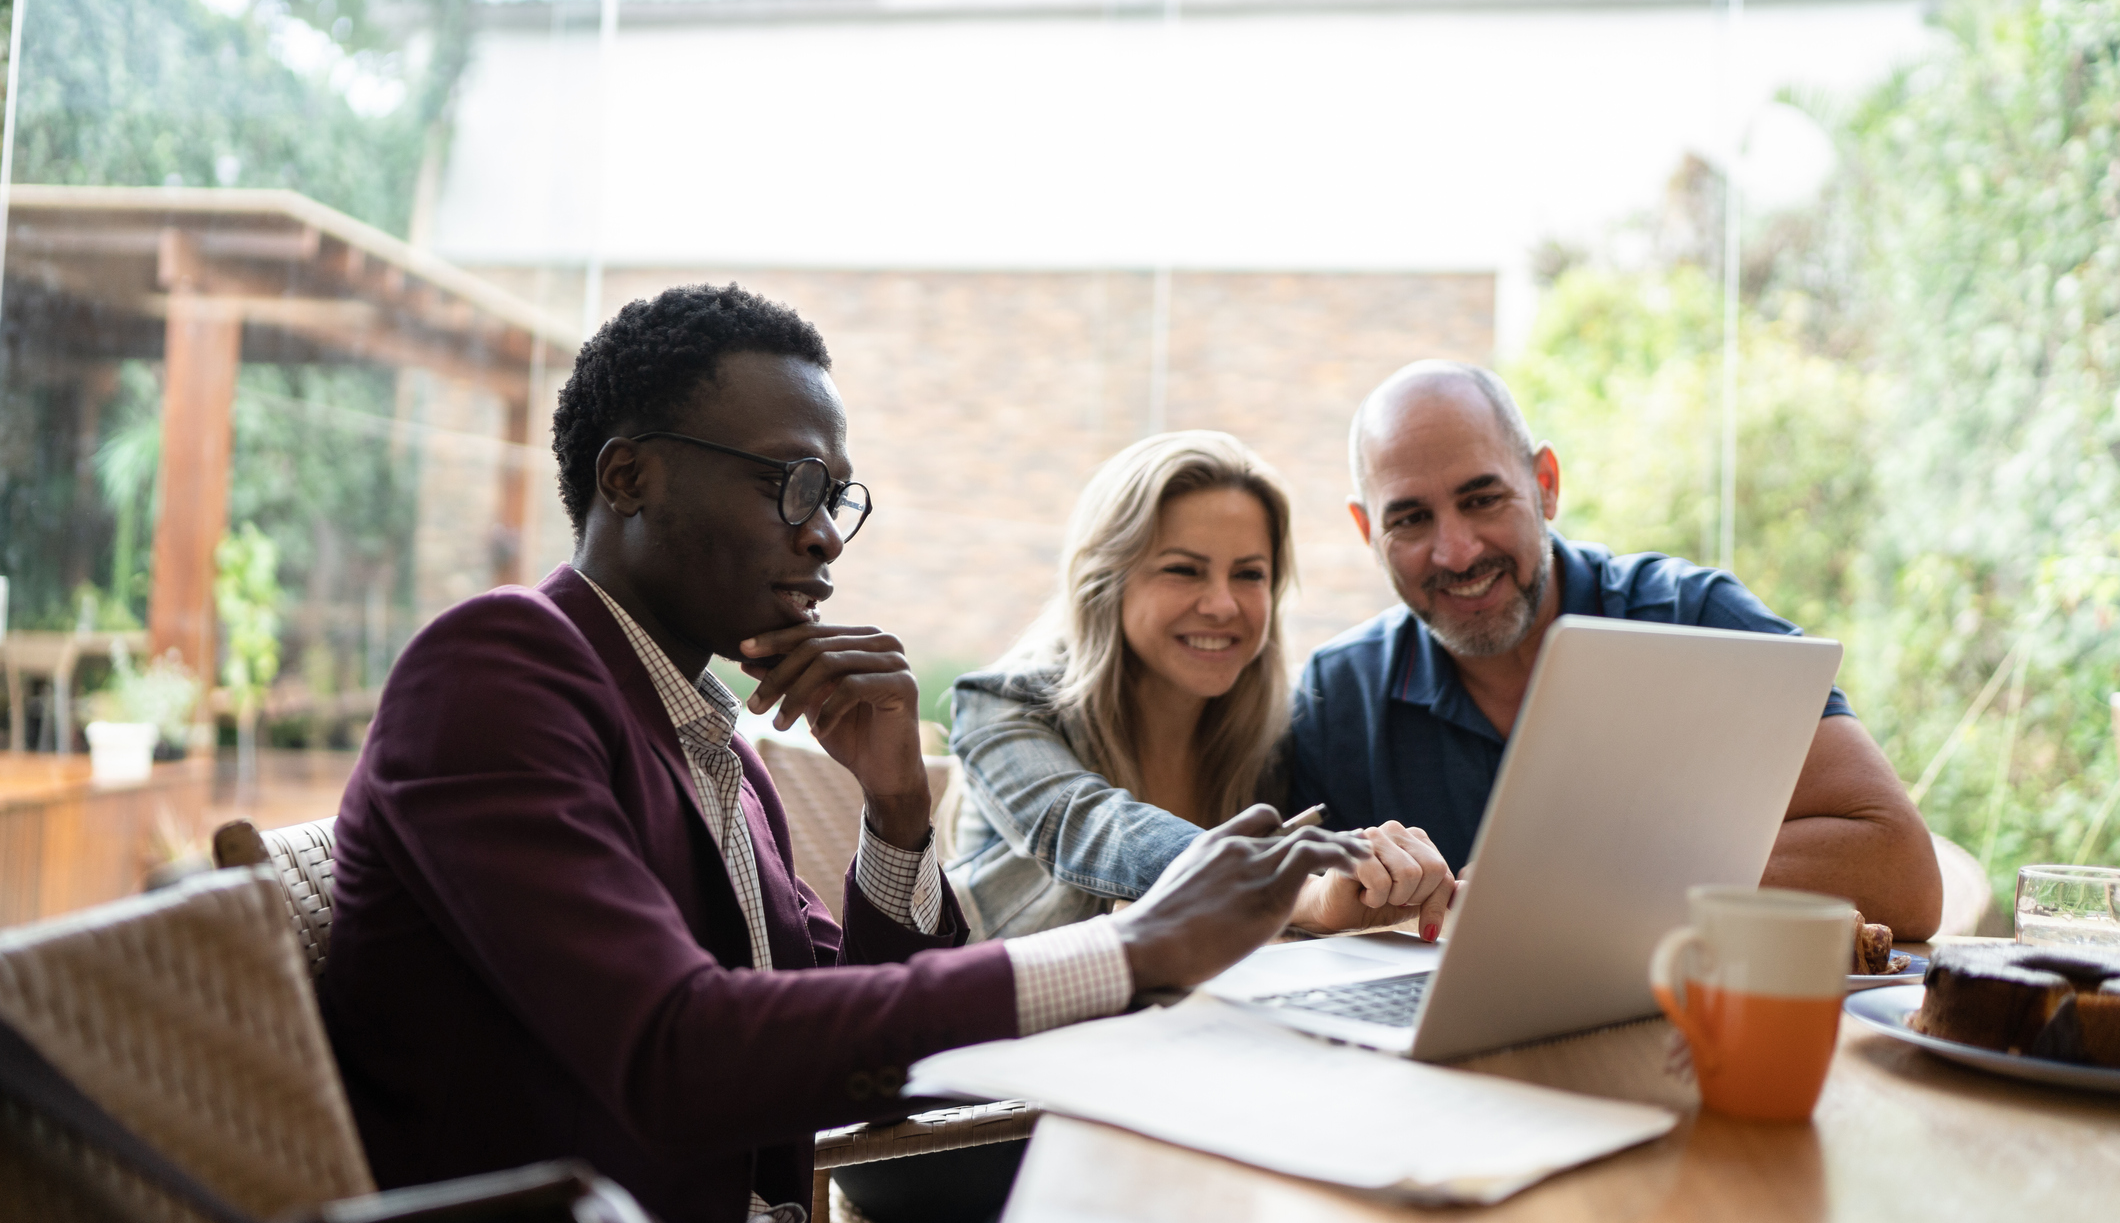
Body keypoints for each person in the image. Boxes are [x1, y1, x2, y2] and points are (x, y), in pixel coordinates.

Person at [317, 285, 1372, 1223]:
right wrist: (1134, 949)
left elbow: (882, 1056)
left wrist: (897, 811)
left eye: (834, 498)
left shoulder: (710, 740)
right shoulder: (495, 669)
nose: (823, 533)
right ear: (629, 477)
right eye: (792, 483)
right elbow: (675, 1053)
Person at [1287, 359, 1944, 940]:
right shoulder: (1336, 696)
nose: (1456, 551)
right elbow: (1248, 885)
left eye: (1482, 499)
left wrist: (1590, 883)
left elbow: (1902, 871)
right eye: (1409, 519)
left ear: (1545, 484)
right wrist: (1319, 899)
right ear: (1367, 529)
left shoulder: (1696, 620)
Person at [949, 432, 1456, 945]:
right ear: (1106, 581)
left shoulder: (1280, 731)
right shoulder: (1002, 705)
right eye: (1184, 570)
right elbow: (1094, 832)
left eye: (1249, 574)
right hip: (1000, 1018)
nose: (1222, 605)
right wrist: (1298, 893)